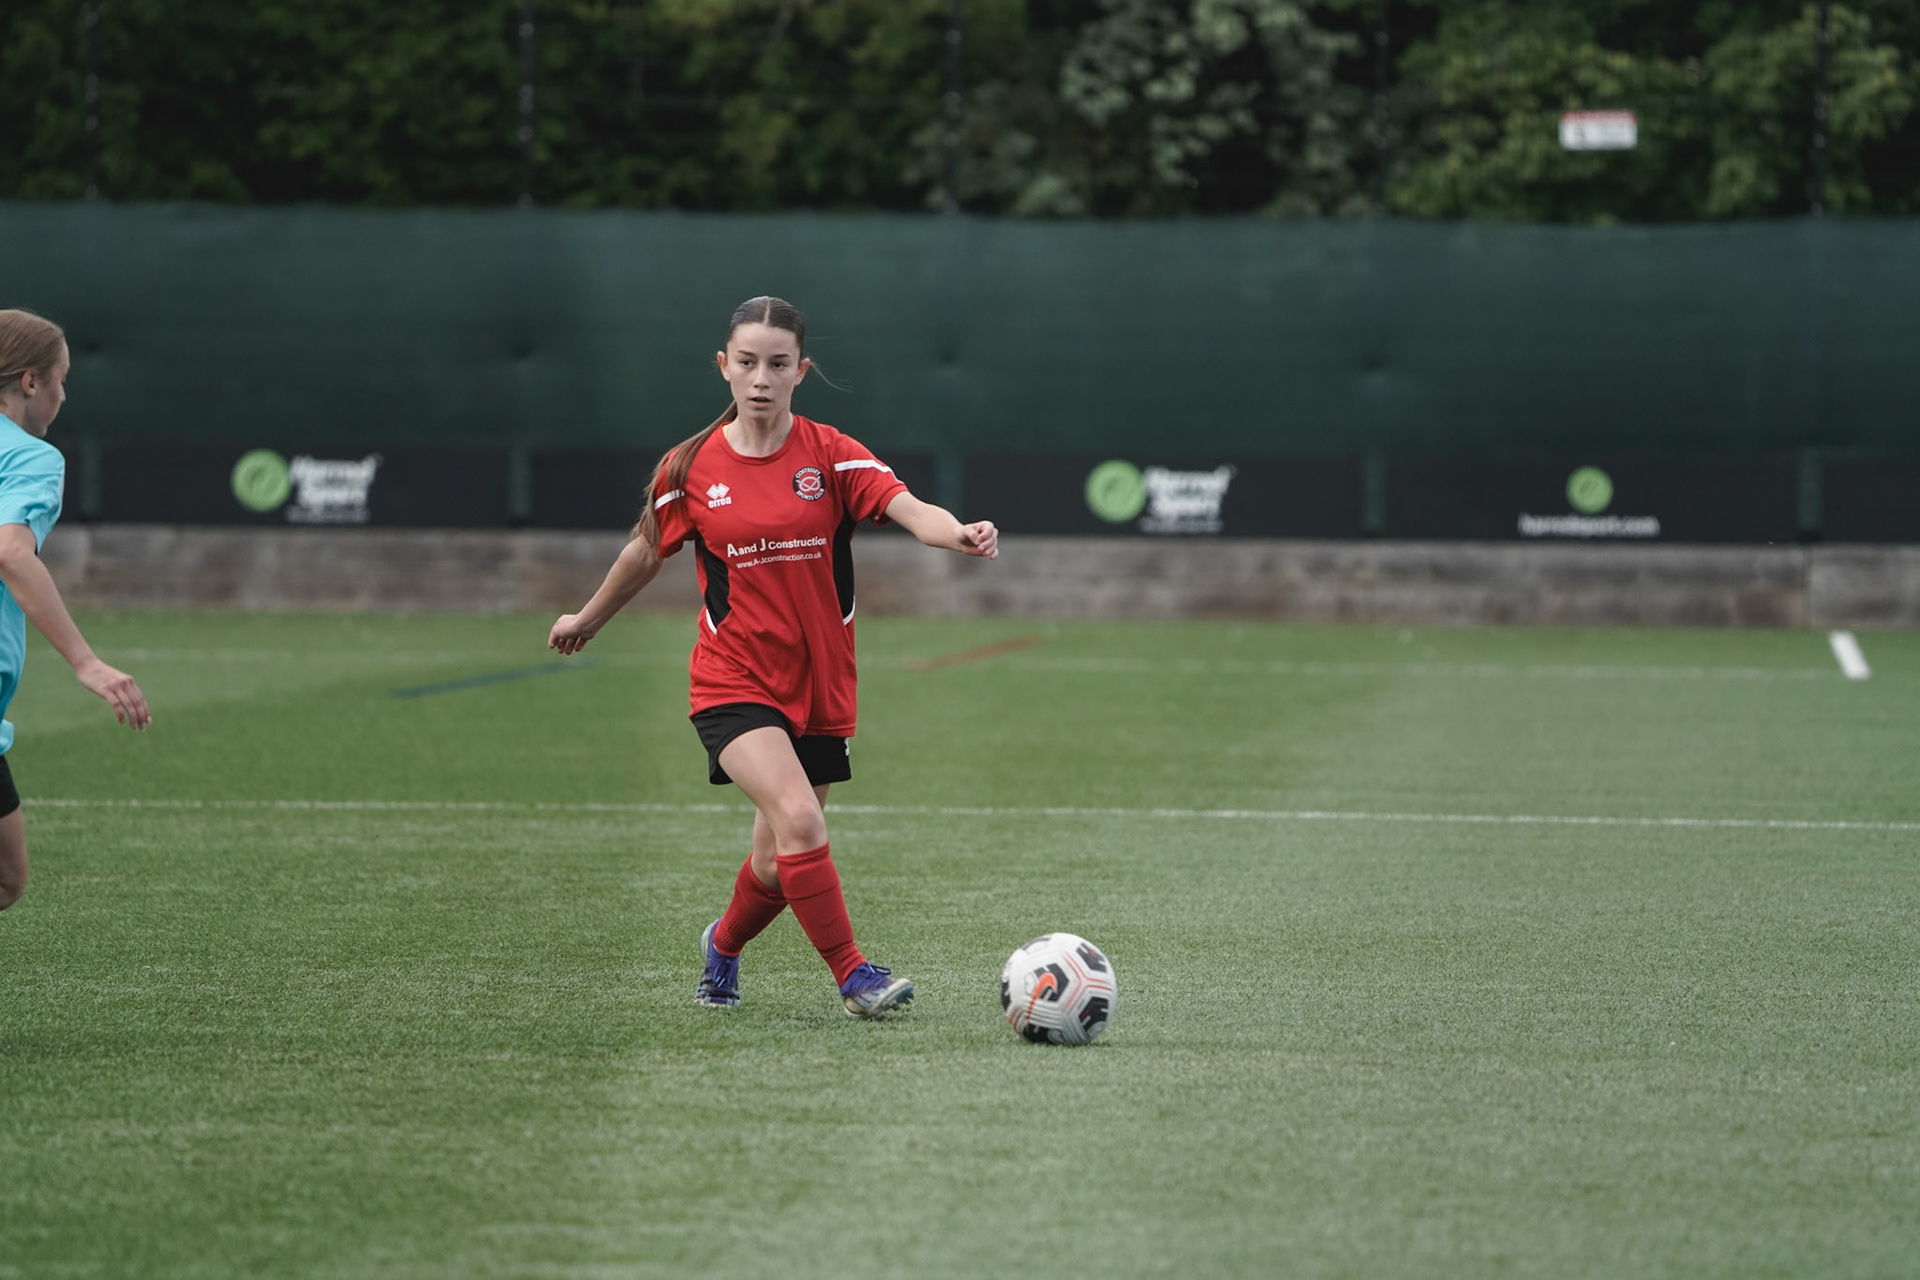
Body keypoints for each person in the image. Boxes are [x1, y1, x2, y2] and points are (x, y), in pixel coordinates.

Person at [549, 296, 997, 1019]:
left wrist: (960, 533)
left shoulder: (831, 453)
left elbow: (911, 509)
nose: (761, 378)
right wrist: (587, 618)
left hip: (821, 686)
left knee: (776, 861)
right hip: (734, 681)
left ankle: (721, 946)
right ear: (724, 367)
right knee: (802, 820)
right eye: (747, 362)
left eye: (778, 364)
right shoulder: (690, 466)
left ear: (801, 371)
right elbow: (645, 550)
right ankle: (855, 978)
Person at [0, 309, 151, 911]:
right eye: (62, 380)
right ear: (30, 382)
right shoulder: (31, 458)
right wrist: (86, 662)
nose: (64, 396)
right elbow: (11, 552)